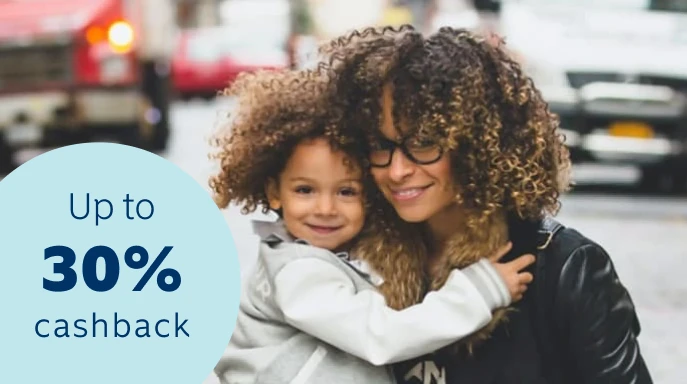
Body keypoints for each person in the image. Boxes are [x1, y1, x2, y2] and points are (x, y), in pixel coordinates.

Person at [315, 25, 653, 384]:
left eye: (425, 143)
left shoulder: (565, 268)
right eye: (381, 146)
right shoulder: (350, 263)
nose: (397, 170)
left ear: (475, 142)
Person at [207, 68, 538, 384]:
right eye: (305, 190)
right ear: (273, 193)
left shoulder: (316, 256)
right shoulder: (297, 272)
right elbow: (380, 336)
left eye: (346, 191)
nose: (325, 209)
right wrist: (479, 290)